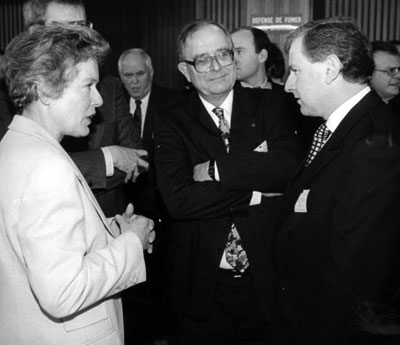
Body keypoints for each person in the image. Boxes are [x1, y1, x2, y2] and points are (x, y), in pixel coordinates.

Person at [0, 24, 155, 345]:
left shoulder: (15, 145)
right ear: (43, 88)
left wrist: (112, 232)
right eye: (88, 85)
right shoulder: (47, 166)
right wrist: (131, 243)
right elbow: (63, 292)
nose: (98, 99)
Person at [154, 19, 301, 345]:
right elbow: (179, 200)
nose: (217, 66)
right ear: (185, 70)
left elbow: (287, 169)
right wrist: (256, 194)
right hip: (201, 286)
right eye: (202, 59)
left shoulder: (272, 105)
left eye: (224, 54)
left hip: (266, 279)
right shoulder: (170, 121)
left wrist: (217, 169)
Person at [274, 17, 400, 345]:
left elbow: (356, 276)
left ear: (330, 68)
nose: (288, 84)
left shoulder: (375, 143)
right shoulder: (339, 128)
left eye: (296, 71)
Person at [1, 0, 149, 217]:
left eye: (83, 25)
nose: (79, 35)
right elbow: (21, 168)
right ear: (36, 32)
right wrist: (108, 157)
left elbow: (136, 160)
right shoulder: (11, 90)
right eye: (66, 29)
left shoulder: (107, 86)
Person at [118, 47, 180, 343]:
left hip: (164, 208)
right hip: (126, 209)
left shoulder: (172, 101)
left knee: (162, 282)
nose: (134, 81)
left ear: (151, 73)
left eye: (139, 74)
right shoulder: (113, 105)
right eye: (127, 75)